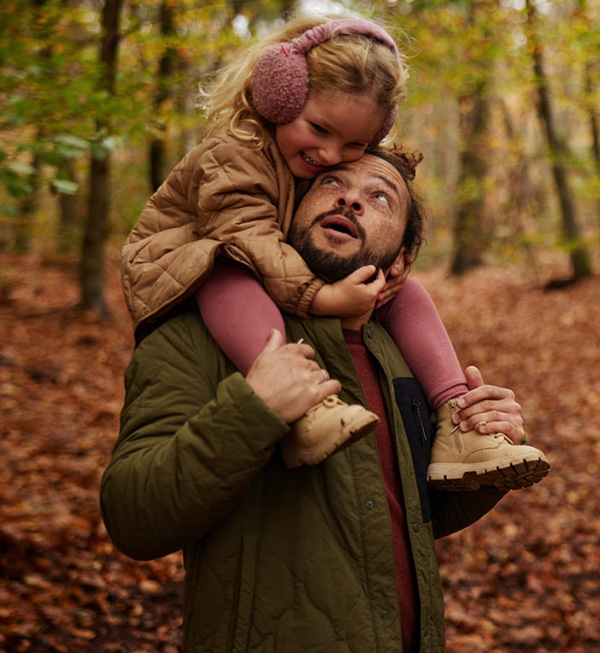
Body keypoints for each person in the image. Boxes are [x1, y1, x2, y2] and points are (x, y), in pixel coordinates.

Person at [101, 149, 549, 653]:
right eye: (330, 183)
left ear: (400, 262)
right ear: (286, 213)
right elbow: (132, 515)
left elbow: (395, 516)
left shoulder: (400, 354)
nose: (350, 198)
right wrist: (254, 409)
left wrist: (484, 458)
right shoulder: (195, 337)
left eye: (381, 196)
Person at [121, 13, 549, 487]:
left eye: (353, 143)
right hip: (182, 266)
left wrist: (388, 271)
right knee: (224, 266)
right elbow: (249, 238)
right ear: (277, 96)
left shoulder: (295, 160)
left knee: (409, 296)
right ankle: (300, 399)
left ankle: (457, 421)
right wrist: (321, 299)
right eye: (319, 130)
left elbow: (404, 509)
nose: (328, 154)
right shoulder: (234, 153)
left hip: (269, 265)